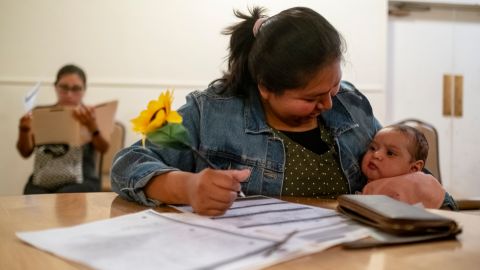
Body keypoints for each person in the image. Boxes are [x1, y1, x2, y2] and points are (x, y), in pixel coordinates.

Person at [111, 7, 448, 216]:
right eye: (312, 98)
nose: (329, 104)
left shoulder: (351, 103)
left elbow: (401, 173)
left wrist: (425, 189)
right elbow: (128, 164)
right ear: (265, 88)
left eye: (333, 86)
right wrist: (187, 187)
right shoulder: (207, 110)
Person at [17, 64, 110, 194]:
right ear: (55, 87)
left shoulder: (91, 115)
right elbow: (25, 152)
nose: (69, 94)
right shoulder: (40, 113)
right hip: (44, 177)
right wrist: (24, 130)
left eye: (76, 89)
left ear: (84, 90)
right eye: (64, 88)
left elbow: (104, 148)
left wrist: (92, 126)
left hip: (83, 178)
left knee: (65, 196)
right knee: (33, 194)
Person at [361, 124, 448, 208]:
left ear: (414, 168)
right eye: (372, 148)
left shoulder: (414, 186)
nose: (376, 155)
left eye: (390, 153)